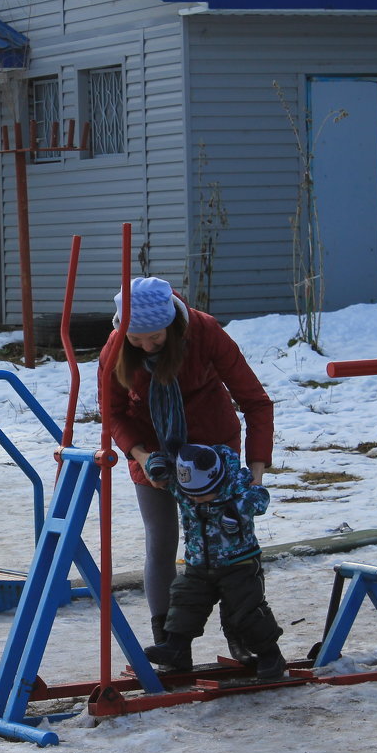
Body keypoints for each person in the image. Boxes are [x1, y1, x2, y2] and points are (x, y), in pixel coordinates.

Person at [98, 276, 274, 655]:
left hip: (213, 454)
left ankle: (242, 634)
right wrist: (143, 456)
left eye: (156, 339)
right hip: (152, 452)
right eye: (136, 339)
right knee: (161, 542)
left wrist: (254, 476)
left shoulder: (205, 332)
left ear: (173, 327)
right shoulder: (115, 346)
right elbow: (111, 413)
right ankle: (170, 643)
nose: (146, 345)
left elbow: (256, 401)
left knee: (230, 547)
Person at [143, 443, 285, 681]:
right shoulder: (186, 487)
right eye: (191, 494)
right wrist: (154, 465)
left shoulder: (237, 486)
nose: (195, 499)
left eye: (202, 493)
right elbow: (162, 469)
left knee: (247, 611)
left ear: (217, 480)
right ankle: (176, 648)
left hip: (239, 563)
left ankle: (271, 655)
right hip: (198, 564)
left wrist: (238, 509)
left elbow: (260, 498)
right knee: (184, 600)